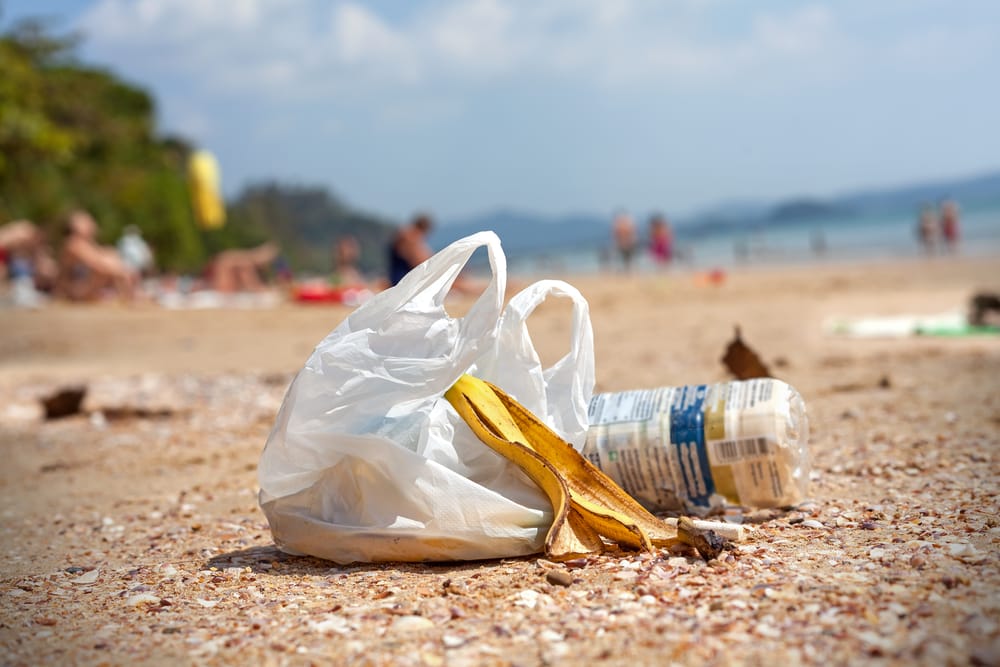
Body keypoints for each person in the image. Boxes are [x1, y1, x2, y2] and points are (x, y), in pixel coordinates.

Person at [57, 210, 139, 301]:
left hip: (86, 290)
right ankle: (128, 295)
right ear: (75, 226)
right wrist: (122, 272)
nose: (91, 223)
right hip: (74, 291)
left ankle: (128, 294)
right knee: (108, 262)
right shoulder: (73, 244)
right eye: (85, 220)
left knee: (110, 256)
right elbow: (100, 267)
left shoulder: (90, 246)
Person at [206, 242, 280, 293]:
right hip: (223, 292)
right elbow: (254, 288)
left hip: (220, 290)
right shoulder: (245, 264)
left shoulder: (238, 260)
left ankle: (255, 255)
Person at [388, 214, 434, 286]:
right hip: (403, 282)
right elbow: (418, 261)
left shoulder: (405, 235)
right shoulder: (410, 238)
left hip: (399, 279)